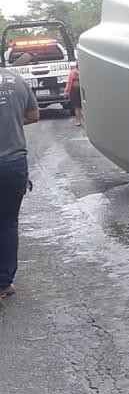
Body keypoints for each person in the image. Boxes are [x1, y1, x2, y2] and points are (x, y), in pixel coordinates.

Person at [0, 67, 40, 299]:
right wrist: (12, 122)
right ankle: (4, 282)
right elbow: (34, 115)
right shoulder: (16, 80)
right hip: (13, 164)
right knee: (7, 222)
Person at [65, 62, 82, 126]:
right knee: (80, 107)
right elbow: (69, 83)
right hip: (79, 90)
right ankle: (80, 121)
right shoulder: (83, 71)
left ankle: (78, 121)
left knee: (77, 107)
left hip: (75, 90)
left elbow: (69, 83)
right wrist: (66, 91)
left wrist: (66, 92)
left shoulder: (72, 72)